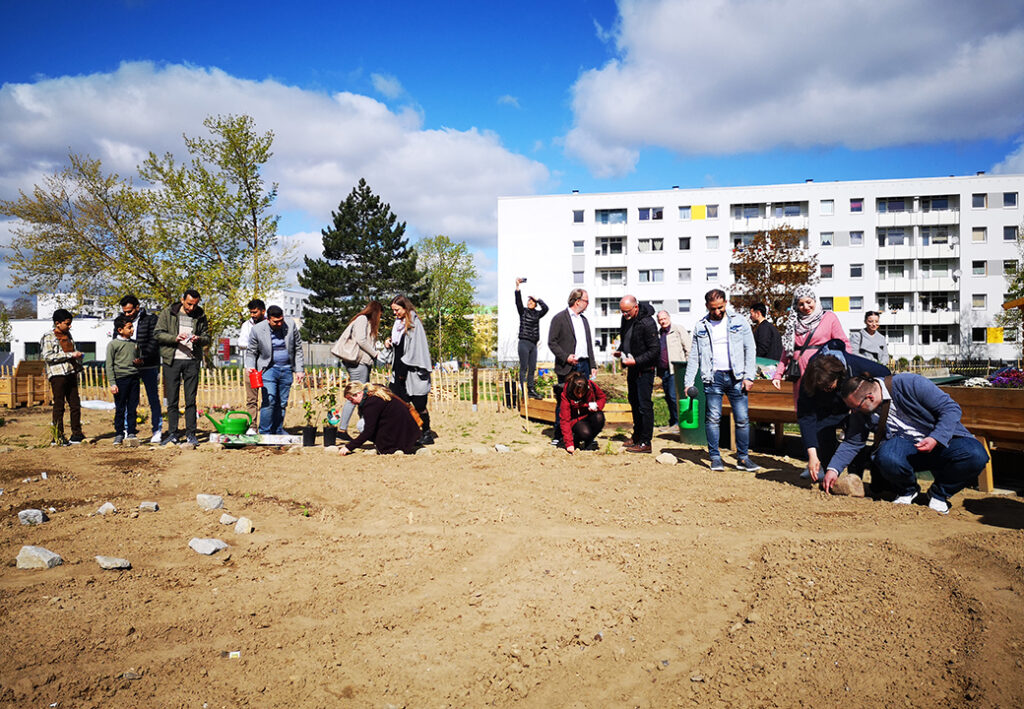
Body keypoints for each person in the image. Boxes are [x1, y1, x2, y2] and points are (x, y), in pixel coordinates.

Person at [823, 373, 990, 515]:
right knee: (886, 456)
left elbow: (951, 409)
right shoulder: (862, 411)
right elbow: (853, 442)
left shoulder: (909, 383)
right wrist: (833, 469)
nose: (854, 412)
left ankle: (939, 494)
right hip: (905, 450)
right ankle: (907, 491)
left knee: (976, 455)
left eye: (856, 407)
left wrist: (936, 437)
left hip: (942, 443)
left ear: (870, 397)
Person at [683, 289, 760, 472]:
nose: (717, 312)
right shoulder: (701, 326)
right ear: (706, 307)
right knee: (713, 418)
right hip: (712, 377)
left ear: (726, 303)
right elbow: (694, 356)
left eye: (720, 307)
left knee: (742, 419)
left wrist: (749, 376)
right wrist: (688, 382)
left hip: (737, 376)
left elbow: (750, 349)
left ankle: (743, 459)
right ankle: (715, 457)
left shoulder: (740, 322)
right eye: (713, 309)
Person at [798, 344, 890, 489]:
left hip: (857, 407)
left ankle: (856, 478)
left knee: (856, 437)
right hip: (827, 411)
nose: (825, 390)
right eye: (822, 388)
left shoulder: (856, 366)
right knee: (823, 433)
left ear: (838, 376)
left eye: (828, 387)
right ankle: (831, 474)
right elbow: (805, 416)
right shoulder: (812, 376)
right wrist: (812, 455)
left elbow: (885, 373)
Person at [154, 288, 210, 446]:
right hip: (172, 360)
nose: (191, 308)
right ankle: (173, 434)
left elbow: (207, 337)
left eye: (195, 304)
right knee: (172, 400)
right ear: (182, 299)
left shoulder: (200, 315)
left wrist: (199, 339)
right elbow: (157, 334)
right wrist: (174, 338)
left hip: (192, 361)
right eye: (189, 304)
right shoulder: (168, 313)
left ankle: (191, 434)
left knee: (190, 400)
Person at [771, 286, 848, 391]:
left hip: (822, 369)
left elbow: (843, 343)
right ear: (796, 306)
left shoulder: (828, 317)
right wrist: (778, 374)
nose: (806, 307)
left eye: (808, 302)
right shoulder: (793, 322)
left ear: (815, 301)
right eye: (801, 304)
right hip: (799, 371)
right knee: (802, 404)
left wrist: (845, 367)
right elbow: (786, 352)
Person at [245, 305, 304, 435]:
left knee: (282, 403)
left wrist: (299, 369)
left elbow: (298, 348)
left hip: (287, 369)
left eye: (281, 320)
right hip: (268, 369)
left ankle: (277, 430)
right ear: (268, 319)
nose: (279, 323)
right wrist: (250, 366)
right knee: (270, 400)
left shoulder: (291, 325)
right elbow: (251, 352)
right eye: (276, 321)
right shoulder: (257, 330)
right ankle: (265, 432)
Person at [547, 288, 595, 446]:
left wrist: (593, 364)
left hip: (584, 365)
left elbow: (589, 345)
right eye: (586, 301)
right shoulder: (559, 318)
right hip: (568, 367)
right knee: (564, 403)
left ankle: (582, 435)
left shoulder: (584, 320)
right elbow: (552, 342)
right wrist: (566, 356)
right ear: (577, 301)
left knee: (584, 402)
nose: (588, 304)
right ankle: (559, 435)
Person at [385, 295, 434, 446]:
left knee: (419, 405)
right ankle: (406, 433)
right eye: (393, 310)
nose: (395, 313)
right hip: (398, 369)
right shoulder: (397, 324)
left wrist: (405, 369)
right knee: (399, 404)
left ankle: (426, 433)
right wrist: (389, 342)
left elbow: (416, 348)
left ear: (405, 307)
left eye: (397, 310)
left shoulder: (414, 323)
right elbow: (399, 346)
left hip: (412, 371)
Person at [616, 295, 659, 453]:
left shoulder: (648, 323)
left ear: (636, 307)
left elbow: (654, 351)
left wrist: (636, 361)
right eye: (622, 312)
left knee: (644, 405)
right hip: (632, 368)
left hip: (644, 370)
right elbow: (628, 338)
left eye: (627, 311)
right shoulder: (626, 319)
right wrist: (621, 349)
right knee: (634, 402)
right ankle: (637, 435)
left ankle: (645, 441)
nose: (625, 315)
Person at [119, 295, 162, 443]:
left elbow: (154, 341)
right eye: (125, 312)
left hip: (149, 365)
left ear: (137, 307)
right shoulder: (121, 321)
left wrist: (143, 358)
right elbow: (118, 340)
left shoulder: (151, 319)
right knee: (128, 399)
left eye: (130, 311)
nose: (127, 314)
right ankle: (127, 429)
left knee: (153, 398)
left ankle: (157, 430)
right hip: (129, 367)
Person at [337, 300, 383, 439]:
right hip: (358, 363)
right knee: (355, 395)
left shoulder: (366, 322)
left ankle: (365, 426)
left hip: (362, 363)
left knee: (363, 396)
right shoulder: (362, 319)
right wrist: (376, 354)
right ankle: (342, 430)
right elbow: (361, 340)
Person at [338, 382, 422, 455]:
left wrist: (349, 447)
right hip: (407, 430)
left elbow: (368, 430)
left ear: (358, 394)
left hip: (400, 432)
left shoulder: (371, 403)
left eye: (351, 399)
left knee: (361, 425)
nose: (352, 403)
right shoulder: (376, 393)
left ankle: (396, 446)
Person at [40, 308, 85, 445]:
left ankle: (76, 434)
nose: (69, 326)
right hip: (58, 374)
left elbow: (72, 350)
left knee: (75, 404)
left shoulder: (68, 335)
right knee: (59, 405)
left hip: (71, 372)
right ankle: (58, 436)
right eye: (67, 323)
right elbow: (48, 356)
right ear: (57, 323)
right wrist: (70, 355)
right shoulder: (49, 337)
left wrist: (77, 357)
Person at [105, 314, 142, 445]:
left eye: (132, 327)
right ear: (120, 330)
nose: (132, 330)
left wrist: (139, 362)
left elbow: (139, 359)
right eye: (129, 327)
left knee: (132, 407)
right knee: (120, 408)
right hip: (120, 380)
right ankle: (119, 433)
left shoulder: (135, 344)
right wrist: (112, 383)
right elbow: (109, 365)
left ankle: (131, 431)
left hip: (134, 379)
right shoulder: (113, 345)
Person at [656, 310, 690, 429]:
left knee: (673, 396)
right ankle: (672, 422)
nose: (663, 321)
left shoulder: (678, 329)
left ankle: (678, 423)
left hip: (676, 369)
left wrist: (687, 368)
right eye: (660, 319)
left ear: (669, 317)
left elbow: (688, 348)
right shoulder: (659, 333)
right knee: (668, 397)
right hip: (664, 371)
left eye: (664, 318)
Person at [515, 278, 549, 399]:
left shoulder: (537, 314)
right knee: (524, 367)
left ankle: (531, 390)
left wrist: (537, 299)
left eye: (531, 301)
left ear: (535, 304)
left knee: (532, 368)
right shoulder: (522, 312)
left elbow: (546, 308)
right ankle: (523, 389)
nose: (529, 302)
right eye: (528, 301)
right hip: (524, 342)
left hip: (533, 344)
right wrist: (517, 288)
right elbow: (518, 302)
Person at [558, 371, 606, 454]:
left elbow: (602, 397)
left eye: (582, 392)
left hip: (589, 414)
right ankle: (577, 439)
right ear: (573, 389)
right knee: (585, 433)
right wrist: (569, 444)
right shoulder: (566, 395)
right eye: (577, 392)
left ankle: (589, 441)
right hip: (576, 420)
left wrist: (597, 406)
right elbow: (564, 420)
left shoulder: (592, 386)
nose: (580, 395)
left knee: (599, 417)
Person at [238, 299, 266, 434]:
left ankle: (267, 427)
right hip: (251, 368)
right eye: (251, 313)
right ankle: (252, 426)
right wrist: (255, 344)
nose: (253, 315)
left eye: (255, 312)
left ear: (263, 311)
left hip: (266, 367)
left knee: (269, 399)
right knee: (251, 400)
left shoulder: (269, 323)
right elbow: (241, 342)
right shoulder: (246, 325)